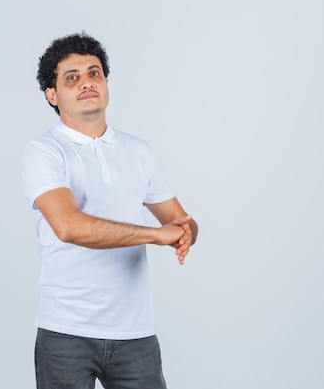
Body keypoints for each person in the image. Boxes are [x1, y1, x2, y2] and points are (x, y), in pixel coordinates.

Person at [22, 32, 198, 389]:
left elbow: (180, 220)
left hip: (136, 333)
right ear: (52, 95)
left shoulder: (139, 151)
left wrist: (185, 234)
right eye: (72, 77)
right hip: (66, 332)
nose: (86, 82)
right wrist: (156, 235)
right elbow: (69, 226)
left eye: (94, 73)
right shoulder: (44, 151)